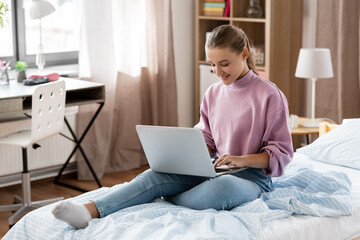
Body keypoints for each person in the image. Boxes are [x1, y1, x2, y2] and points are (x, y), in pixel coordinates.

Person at [52, 24, 293, 229]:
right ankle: (89, 211)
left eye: (224, 64)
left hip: (250, 179)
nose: (218, 72)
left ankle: (166, 197)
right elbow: (207, 137)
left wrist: (242, 160)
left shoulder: (270, 96)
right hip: (214, 168)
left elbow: (281, 153)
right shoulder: (213, 92)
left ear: (244, 54)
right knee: (153, 175)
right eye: (212, 65)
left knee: (223, 188)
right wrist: (191, 153)